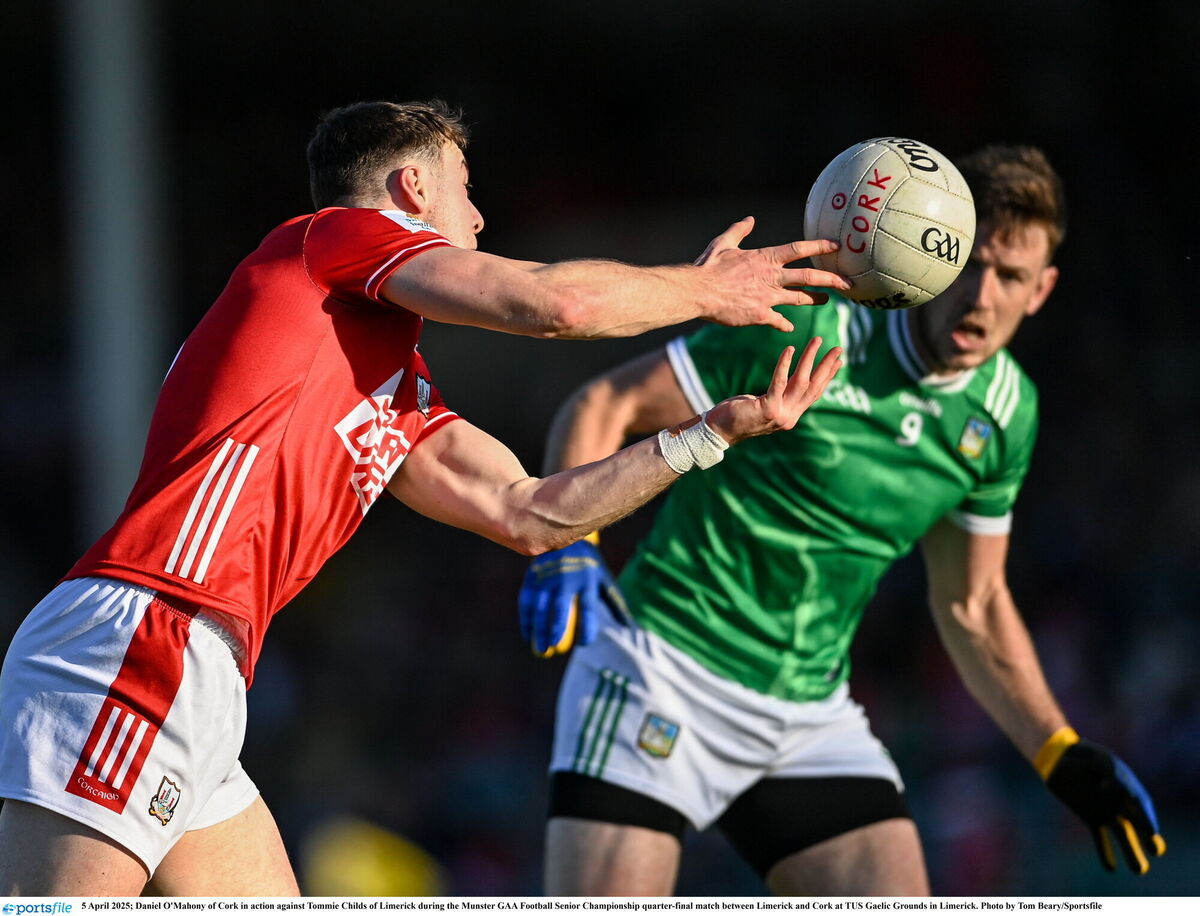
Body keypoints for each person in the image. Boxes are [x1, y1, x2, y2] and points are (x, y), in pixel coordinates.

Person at [0, 98, 850, 895]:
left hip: (203, 668)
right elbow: (552, 304)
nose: (477, 218)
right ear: (411, 188)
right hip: (146, 635)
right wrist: (706, 290)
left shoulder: (386, 382)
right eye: (465, 189)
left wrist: (710, 434)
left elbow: (529, 514)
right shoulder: (328, 237)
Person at [520, 145, 1167, 895]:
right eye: (971, 265)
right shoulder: (804, 327)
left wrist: (1056, 749)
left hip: (807, 716)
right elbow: (605, 404)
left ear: (1042, 289)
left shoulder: (1004, 412)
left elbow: (973, 602)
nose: (984, 297)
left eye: (1012, 277)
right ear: (935, 249)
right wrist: (570, 545)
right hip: (660, 672)